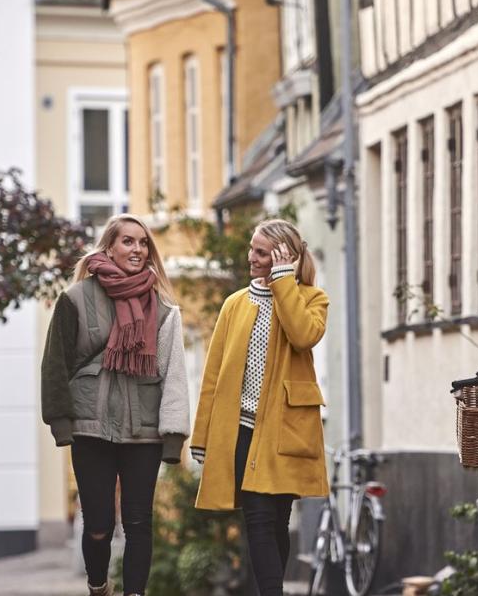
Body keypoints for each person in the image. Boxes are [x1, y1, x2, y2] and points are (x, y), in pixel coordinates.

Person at [41, 214, 190, 596]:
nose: (137, 250)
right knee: (99, 523)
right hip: (91, 428)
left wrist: (173, 435)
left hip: (145, 431)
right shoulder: (75, 299)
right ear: (109, 246)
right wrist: (61, 422)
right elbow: (55, 364)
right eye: (128, 241)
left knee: (139, 522)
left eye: (143, 243)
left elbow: (174, 374)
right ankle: (98, 585)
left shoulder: (165, 310)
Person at [190, 218, 329, 596]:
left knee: (277, 521)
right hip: (242, 431)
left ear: (282, 257)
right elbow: (213, 374)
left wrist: (284, 281)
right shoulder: (235, 304)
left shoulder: (311, 299)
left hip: (285, 431)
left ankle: (270, 588)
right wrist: (202, 435)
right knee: (257, 518)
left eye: (261, 252)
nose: (251, 257)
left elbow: (303, 335)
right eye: (252, 248)